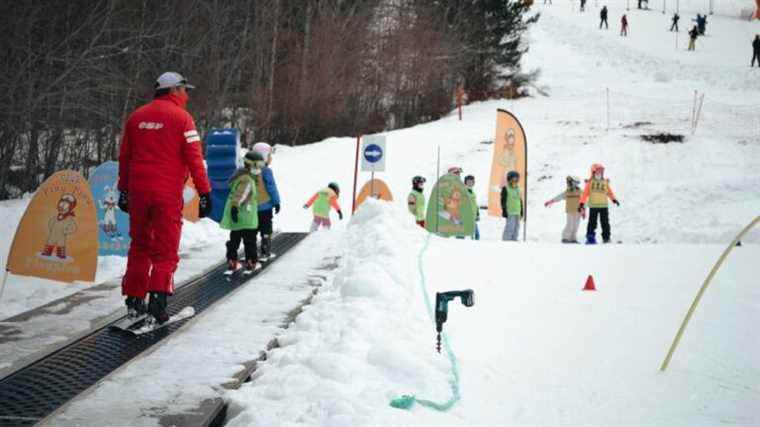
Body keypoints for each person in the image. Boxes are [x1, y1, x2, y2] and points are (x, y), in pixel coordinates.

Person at [118, 71, 212, 324]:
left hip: (138, 192)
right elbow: (195, 160)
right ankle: (157, 304)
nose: (187, 96)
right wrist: (204, 192)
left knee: (139, 245)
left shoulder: (136, 117)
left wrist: (123, 189)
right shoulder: (183, 119)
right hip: (166, 194)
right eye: (185, 91)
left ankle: (134, 302)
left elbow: (125, 157)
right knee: (166, 251)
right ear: (174, 91)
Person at [220, 151, 266, 275]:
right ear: (251, 165)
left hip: (237, 217)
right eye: (258, 165)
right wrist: (235, 206)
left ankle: (232, 261)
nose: (260, 168)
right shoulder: (247, 180)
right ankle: (251, 262)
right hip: (245, 215)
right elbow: (241, 195)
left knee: (234, 239)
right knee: (249, 240)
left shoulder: (240, 176)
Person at [251, 142, 281, 262]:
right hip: (265, 207)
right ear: (263, 156)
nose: (270, 158)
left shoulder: (248, 169)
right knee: (266, 228)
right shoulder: (266, 171)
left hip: (252, 207)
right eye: (269, 155)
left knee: (252, 229)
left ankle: (251, 252)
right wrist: (276, 202)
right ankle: (265, 250)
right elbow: (271, 187)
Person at [578, 164, 619, 244]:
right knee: (592, 222)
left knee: (605, 222)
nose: (599, 172)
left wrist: (614, 199)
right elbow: (585, 194)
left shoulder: (605, 182)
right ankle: (590, 237)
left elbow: (610, 192)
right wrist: (581, 203)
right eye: (598, 170)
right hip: (593, 206)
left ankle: (606, 238)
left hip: (604, 206)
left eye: (601, 171)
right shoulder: (590, 182)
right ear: (593, 171)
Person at [544, 176, 584, 243]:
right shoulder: (567, 192)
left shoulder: (580, 192)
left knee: (576, 226)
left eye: (569, 182)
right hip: (570, 211)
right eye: (568, 183)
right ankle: (565, 238)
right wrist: (551, 201)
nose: (568, 184)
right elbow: (559, 197)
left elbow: (584, 200)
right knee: (570, 225)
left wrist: (584, 210)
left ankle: (573, 238)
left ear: (574, 183)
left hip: (578, 211)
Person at [500, 171, 523, 241]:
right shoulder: (505, 188)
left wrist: (522, 211)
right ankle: (506, 241)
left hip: (517, 212)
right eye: (513, 179)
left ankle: (514, 241)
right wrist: (504, 210)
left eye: (516, 179)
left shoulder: (518, 189)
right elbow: (503, 201)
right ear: (509, 179)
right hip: (510, 212)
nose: (515, 181)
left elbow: (520, 200)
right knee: (510, 227)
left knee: (517, 228)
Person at [464, 175, 480, 240]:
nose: (470, 183)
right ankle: (458, 243)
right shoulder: (464, 191)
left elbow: (474, 204)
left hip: (473, 216)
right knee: (463, 232)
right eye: (468, 181)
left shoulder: (472, 192)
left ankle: (474, 245)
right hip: (466, 215)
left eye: (471, 182)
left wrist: (477, 213)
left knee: (476, 235)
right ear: (465, 182)